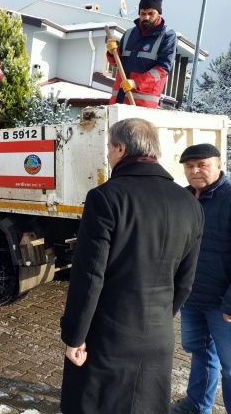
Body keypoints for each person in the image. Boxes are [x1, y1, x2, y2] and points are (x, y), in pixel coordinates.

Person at [59, 118, 204, 414]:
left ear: (122, 149)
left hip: (108, 338)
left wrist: (75, 336)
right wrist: (160, 317)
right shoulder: (190, 204)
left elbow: (89, 277)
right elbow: (185, 281)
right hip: (158, 337)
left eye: (110, 148)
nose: (109, 155)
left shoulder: (105, 198)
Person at [172, 143, 231, 414]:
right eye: (189, 166)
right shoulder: (183, 198)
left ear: (219, 165)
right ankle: (196, 406)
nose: (195, 171)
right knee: (201, 353)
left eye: (202, 165)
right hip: (192, 296)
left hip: (223, 303)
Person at [106, 0, 177, 108]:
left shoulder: (167, 36)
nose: (146, 17)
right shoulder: (129, 34)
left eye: (151, 13)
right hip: (118, 100)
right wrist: (111, 52)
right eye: (143, 13)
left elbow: (163, 69)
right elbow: (116, 63)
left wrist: (135, 83)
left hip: (143, 104)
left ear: (159, 14)